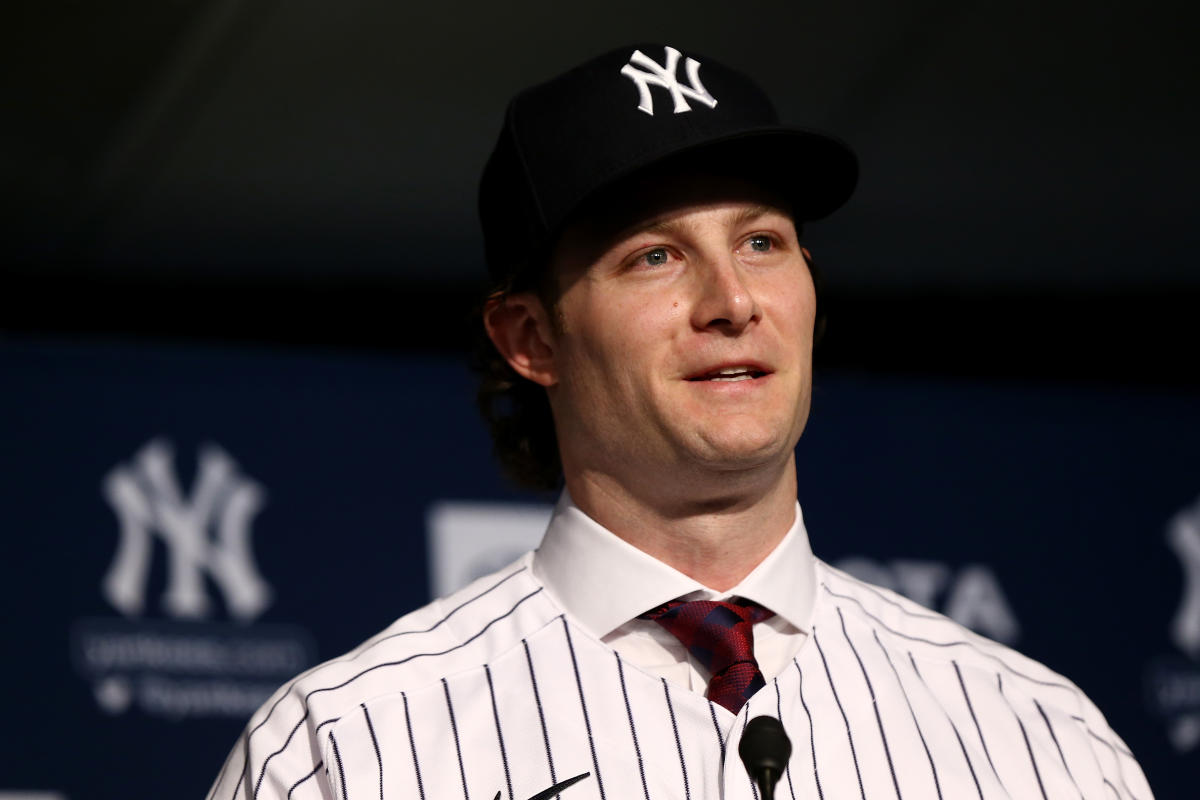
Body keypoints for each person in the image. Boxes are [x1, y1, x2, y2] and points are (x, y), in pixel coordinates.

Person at [207, 43, 1152, 800]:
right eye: (656, 256)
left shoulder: (1038, 739)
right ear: (530, 338)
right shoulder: (349, 748)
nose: (733, 300)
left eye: (761, 242)